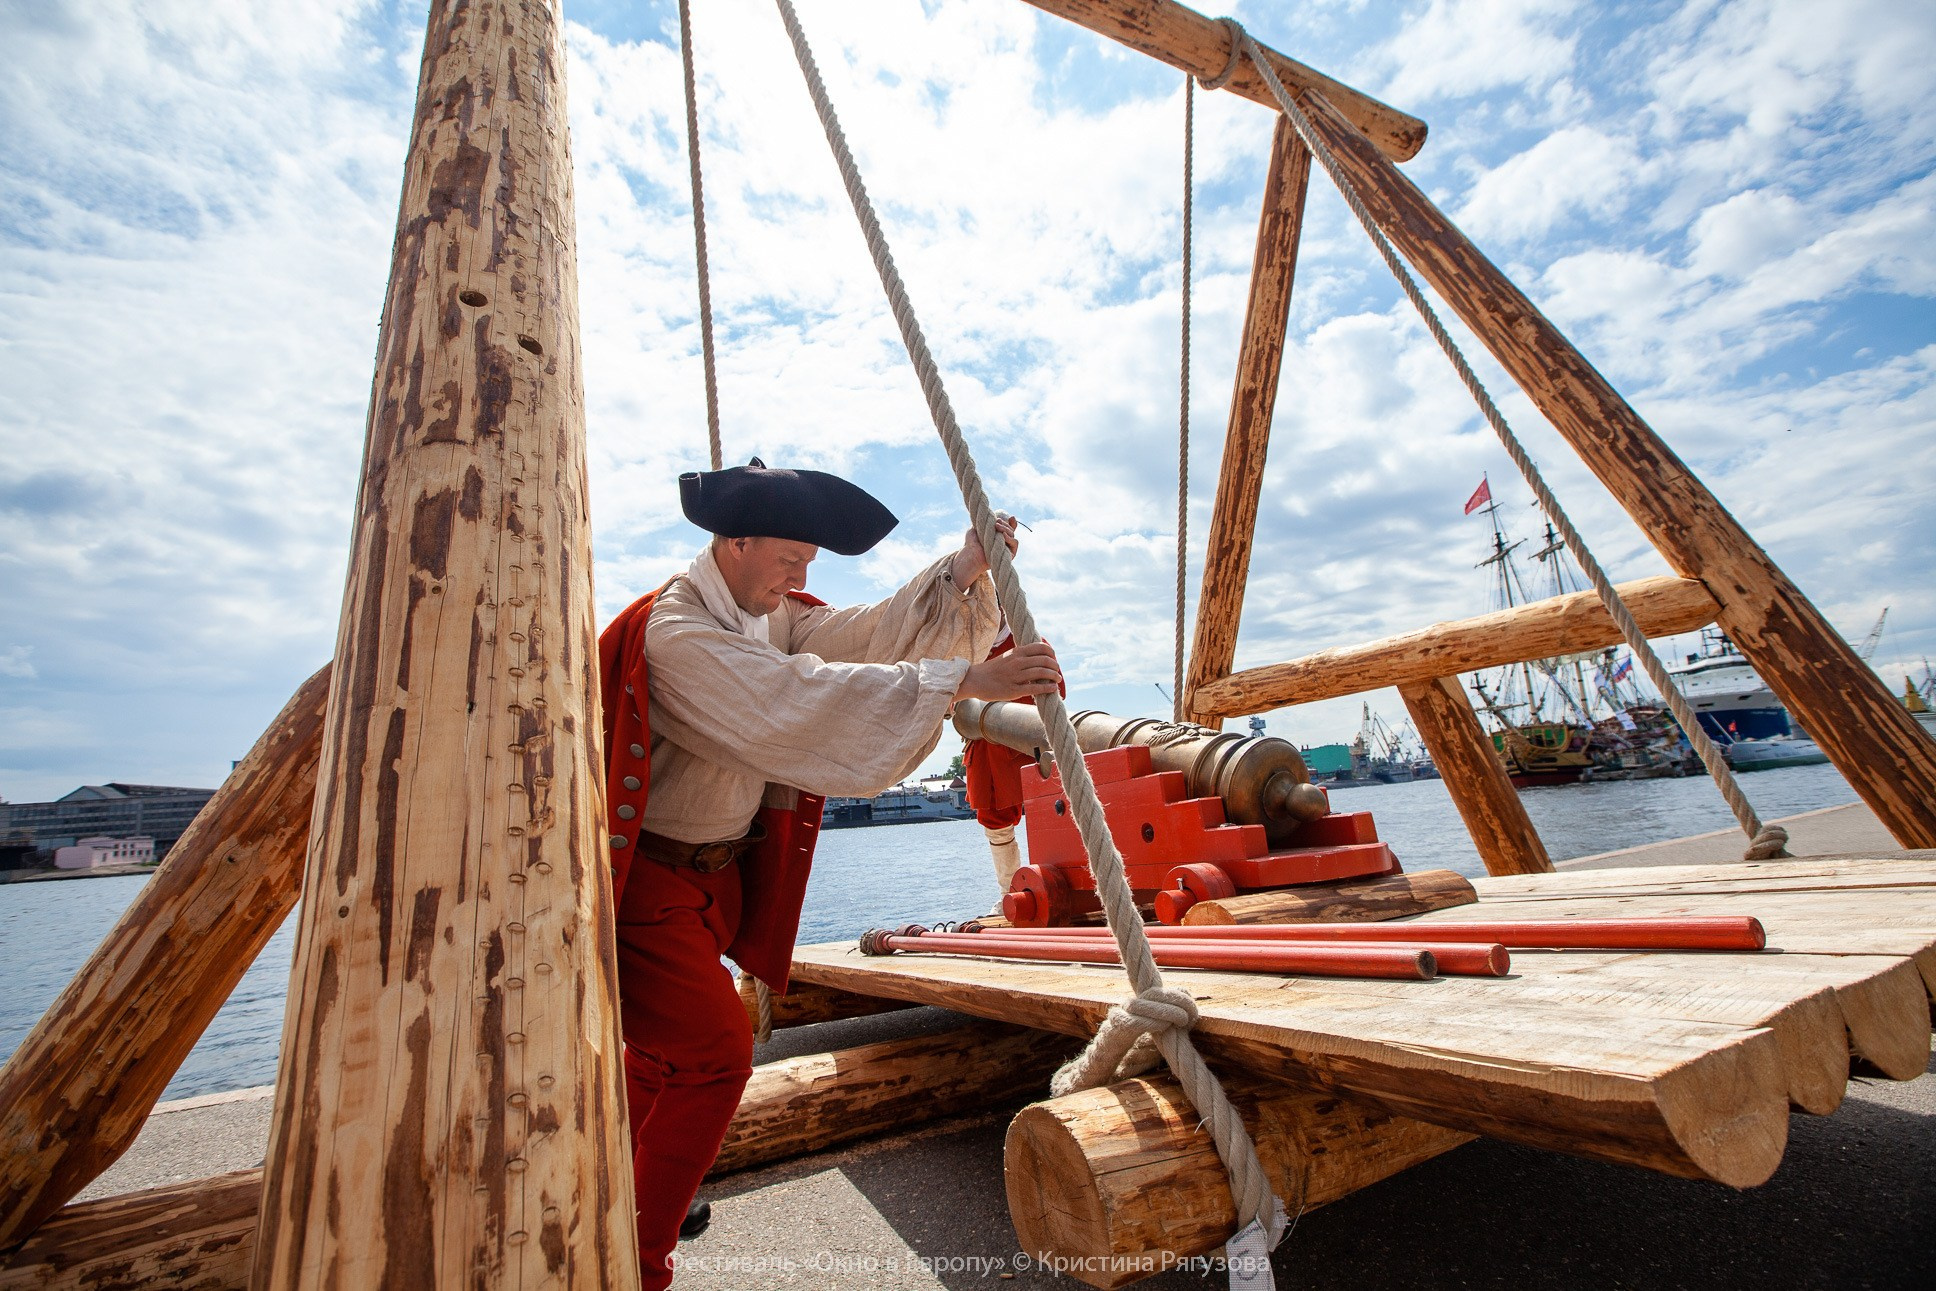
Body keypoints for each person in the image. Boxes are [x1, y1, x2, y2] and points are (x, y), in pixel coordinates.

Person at [597, 460, 1060, 1289]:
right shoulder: (679, 632)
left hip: (713, 880)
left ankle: (608, 1193)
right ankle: (636, 1262)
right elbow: (792, 699)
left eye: (810, 560)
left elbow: (861, 634)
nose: (803, 576)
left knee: (657, 1058)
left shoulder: (764, 611)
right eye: (792, 557)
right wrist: (966, 679)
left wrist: (964, 570)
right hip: (652, 884)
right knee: (713, 1055)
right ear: (734, 542)